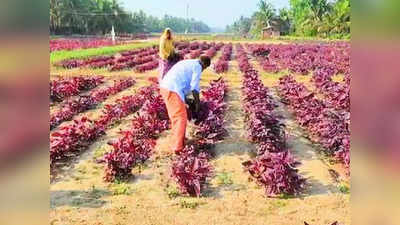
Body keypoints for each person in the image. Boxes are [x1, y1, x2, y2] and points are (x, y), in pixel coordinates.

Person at [159, 55, 211, 154]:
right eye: (205, 68)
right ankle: (177, 147)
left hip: (167, 87)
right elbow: (194, 88)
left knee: (177, 117)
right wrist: (197, 103)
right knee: (180, 118)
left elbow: (185, 87)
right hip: (172, 89)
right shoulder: (198, 67)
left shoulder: (189, 62)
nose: (203, 70)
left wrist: (188, 101)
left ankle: (179, 140)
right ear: (204, 65)